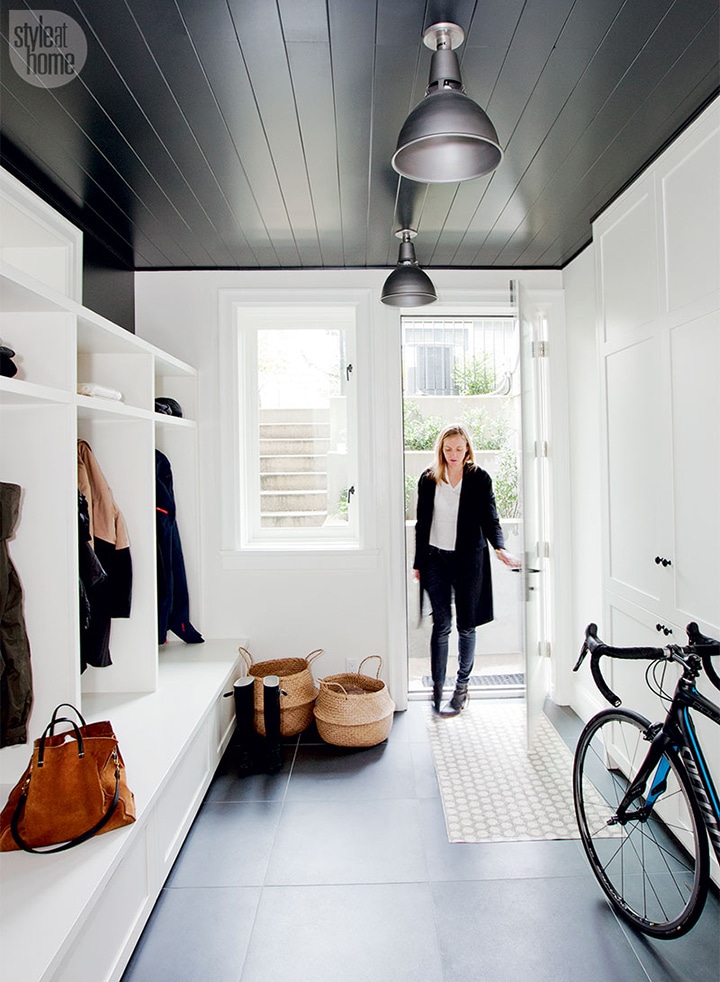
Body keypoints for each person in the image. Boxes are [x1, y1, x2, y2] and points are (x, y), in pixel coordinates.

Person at [413, 424, 520, 717]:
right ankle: (437, 688)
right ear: (441, 450)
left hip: (468, 560)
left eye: (459, 448)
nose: (453, 454)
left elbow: (491, 516)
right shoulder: (428, 478)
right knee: (441, 624)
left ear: (467, 449)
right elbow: (422, 522)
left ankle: (461, 688)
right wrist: (418, 562)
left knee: (466, 625)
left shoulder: (479, 478)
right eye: (448, 449)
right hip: (436, 559)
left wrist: (500, 548)